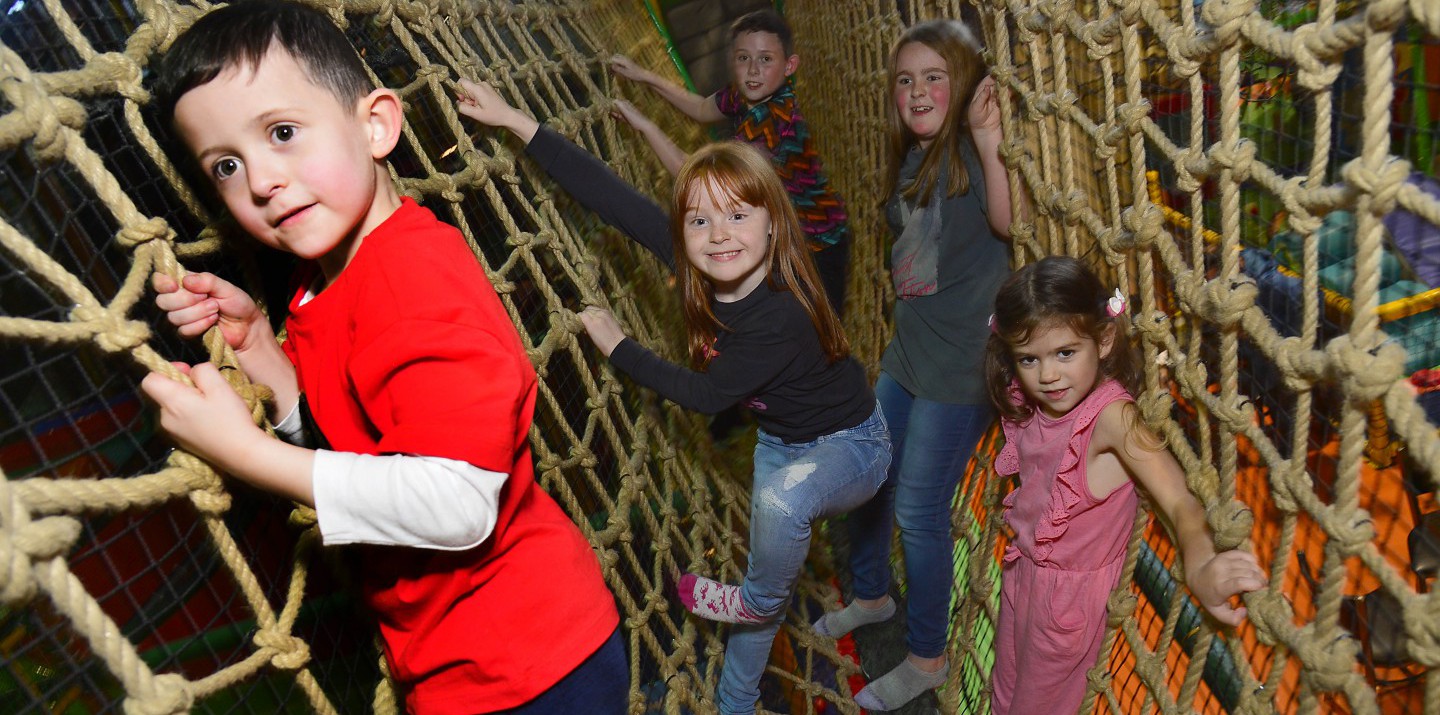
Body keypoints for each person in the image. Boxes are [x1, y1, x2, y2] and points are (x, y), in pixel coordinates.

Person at [139, 3, 622, 713]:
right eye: (227, 165)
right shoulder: (321, 289)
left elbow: (458, 505)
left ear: (375, 126)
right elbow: (357, 442)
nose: (261, 181)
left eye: (282, 133)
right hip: (457, 663)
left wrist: (244, 451)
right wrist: (266, 354)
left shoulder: (411, 275)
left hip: (536, 661)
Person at [454, 79, 890, 715]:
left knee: (775, 517)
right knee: (760, 606)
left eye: (738, 216)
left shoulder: (780, 314)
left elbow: (708, 394)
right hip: (781, 440)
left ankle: (754, 598)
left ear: (773, 226)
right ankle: (736, 699)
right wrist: (518, 122)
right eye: (699, 219)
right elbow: (613, 199)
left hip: (852, 450)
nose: (718, 235)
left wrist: (620, 347)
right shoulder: (700, 268)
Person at [808, 19, 1015, 710]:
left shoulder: (963, 153)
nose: (918, 91)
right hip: (909, 348)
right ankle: (872, 594)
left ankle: (925, 655)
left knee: (922, 508)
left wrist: (987, 139)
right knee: (869, 476)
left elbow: (1009, 223)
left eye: (935, 77)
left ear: (963, 85)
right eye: (906, 80)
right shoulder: (914, 157)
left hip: (959, 364)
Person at [983, 256, 1265, 714]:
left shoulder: (1112, 418)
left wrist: (1199, 566)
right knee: (1005, 689)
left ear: (1105, 340)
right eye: (1028, 359)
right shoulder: (1034, 398)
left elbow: (1180, 501)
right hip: (1023, 572)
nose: (1048, 375)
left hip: (1067, 605)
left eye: (1065, 354)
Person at [609, 9, 852, 316]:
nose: (753, 70)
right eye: (743, 58)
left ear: (789, 65)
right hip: (787, 237)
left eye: (765, 59)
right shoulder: (746, 95)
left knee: (820, 335)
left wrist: (644, 126)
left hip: (818, 246)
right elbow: (700, 108)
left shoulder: (771, 123)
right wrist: (643, 76)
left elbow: (702, 178)